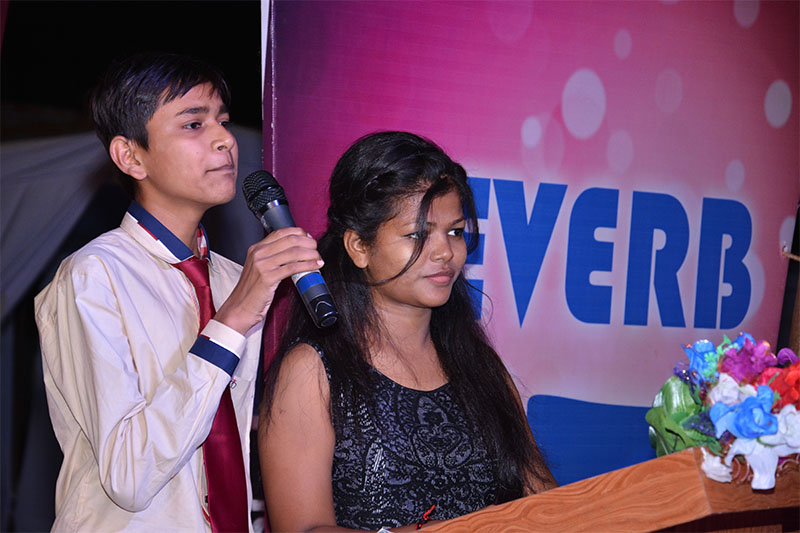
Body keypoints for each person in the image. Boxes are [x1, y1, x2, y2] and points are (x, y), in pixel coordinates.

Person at [34, 52, 322, 531]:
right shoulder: (93, 275)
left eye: (223, 121)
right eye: (193, 124)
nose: (225, 139)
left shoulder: (232, 279)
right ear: (130, 156)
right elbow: (129, 475)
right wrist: (230, 323)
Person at [258, 131, 557, 532]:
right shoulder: (312, 371)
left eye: (455, 232)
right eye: (418, 235)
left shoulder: (481, 367)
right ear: (359, 247)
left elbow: (546, 505)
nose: (445, 252)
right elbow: (302, 529)